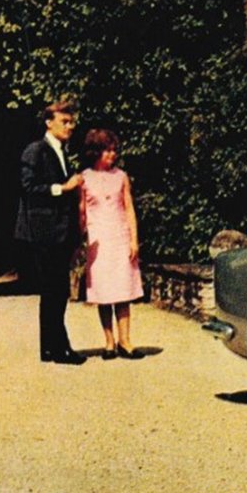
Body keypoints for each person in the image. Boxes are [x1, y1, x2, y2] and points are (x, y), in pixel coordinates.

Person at [14, 98, 85, 364]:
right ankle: (59, 348)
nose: (70, 126)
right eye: (64, 121)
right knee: (55, 289)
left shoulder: (60, 151)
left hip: (59, 232)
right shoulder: (36, 150)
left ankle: (49, 348)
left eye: (71, 122)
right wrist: (64, 188)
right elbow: (28, 187)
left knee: (55, 290)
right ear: (48, 122)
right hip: (43, 231)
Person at [80, 128, 144, 359]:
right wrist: (79, 241)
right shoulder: (84, 178)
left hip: (120, 237)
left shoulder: (121, 176)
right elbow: (81, 213)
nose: (112, 154)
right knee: (104, 292)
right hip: (98, 241)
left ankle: (125, 341)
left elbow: (129, 208)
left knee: (122, 290)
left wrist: (134, 240)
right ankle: (109, 343)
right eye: (107, 150)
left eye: (114, 150)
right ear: (95, 152)